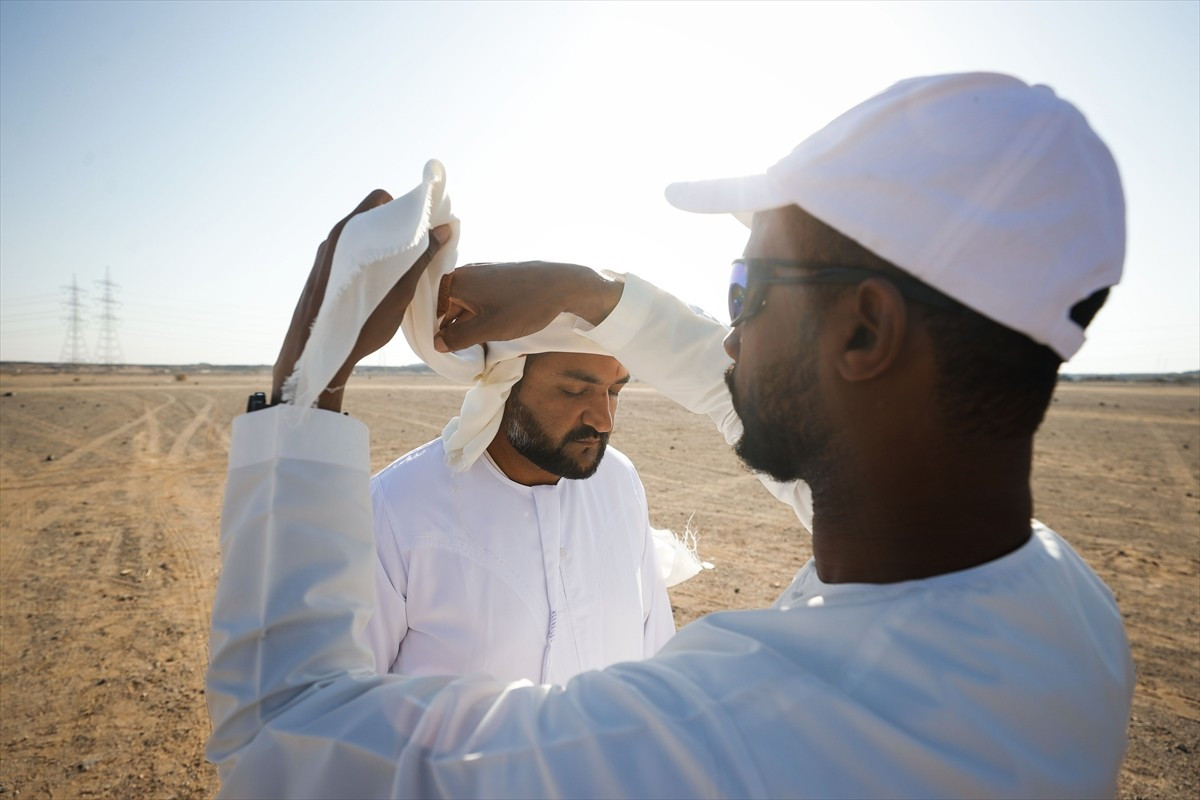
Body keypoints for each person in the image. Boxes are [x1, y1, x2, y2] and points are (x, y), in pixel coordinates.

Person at [207, 72, 1134, 798]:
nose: (729, 336)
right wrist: (596, 297)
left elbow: (280, 732)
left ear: (864, 331)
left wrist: (311, 378)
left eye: (748, 289)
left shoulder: (722, 742)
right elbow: (781, 411)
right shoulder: (1063, 612)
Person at [361, 346, 678, 683]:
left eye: (614, 391)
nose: (603, 420)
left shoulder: (620, 482)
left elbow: (656, 659)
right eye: (574, 391)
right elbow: (341, 701)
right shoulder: (397, 505)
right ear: (506, 381)